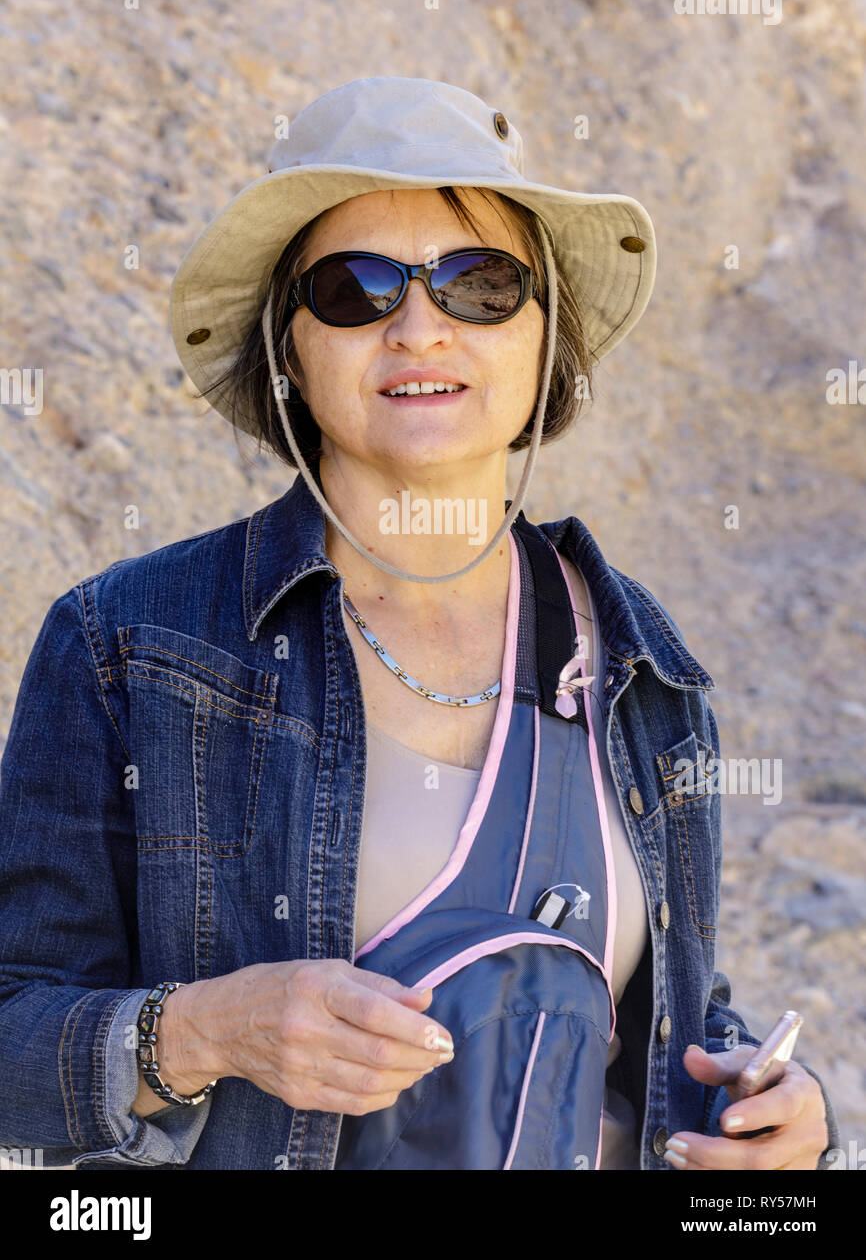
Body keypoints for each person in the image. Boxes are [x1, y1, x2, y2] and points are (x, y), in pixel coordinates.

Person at [0, 77, 837, 1170]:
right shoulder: (130, 646)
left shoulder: (641, 666)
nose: (417, 326)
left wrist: (778, 1121)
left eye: (479, 283)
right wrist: (205, 1031)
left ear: (545, 336)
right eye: (352, 289)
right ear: (288, 349)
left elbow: (667, 1017)